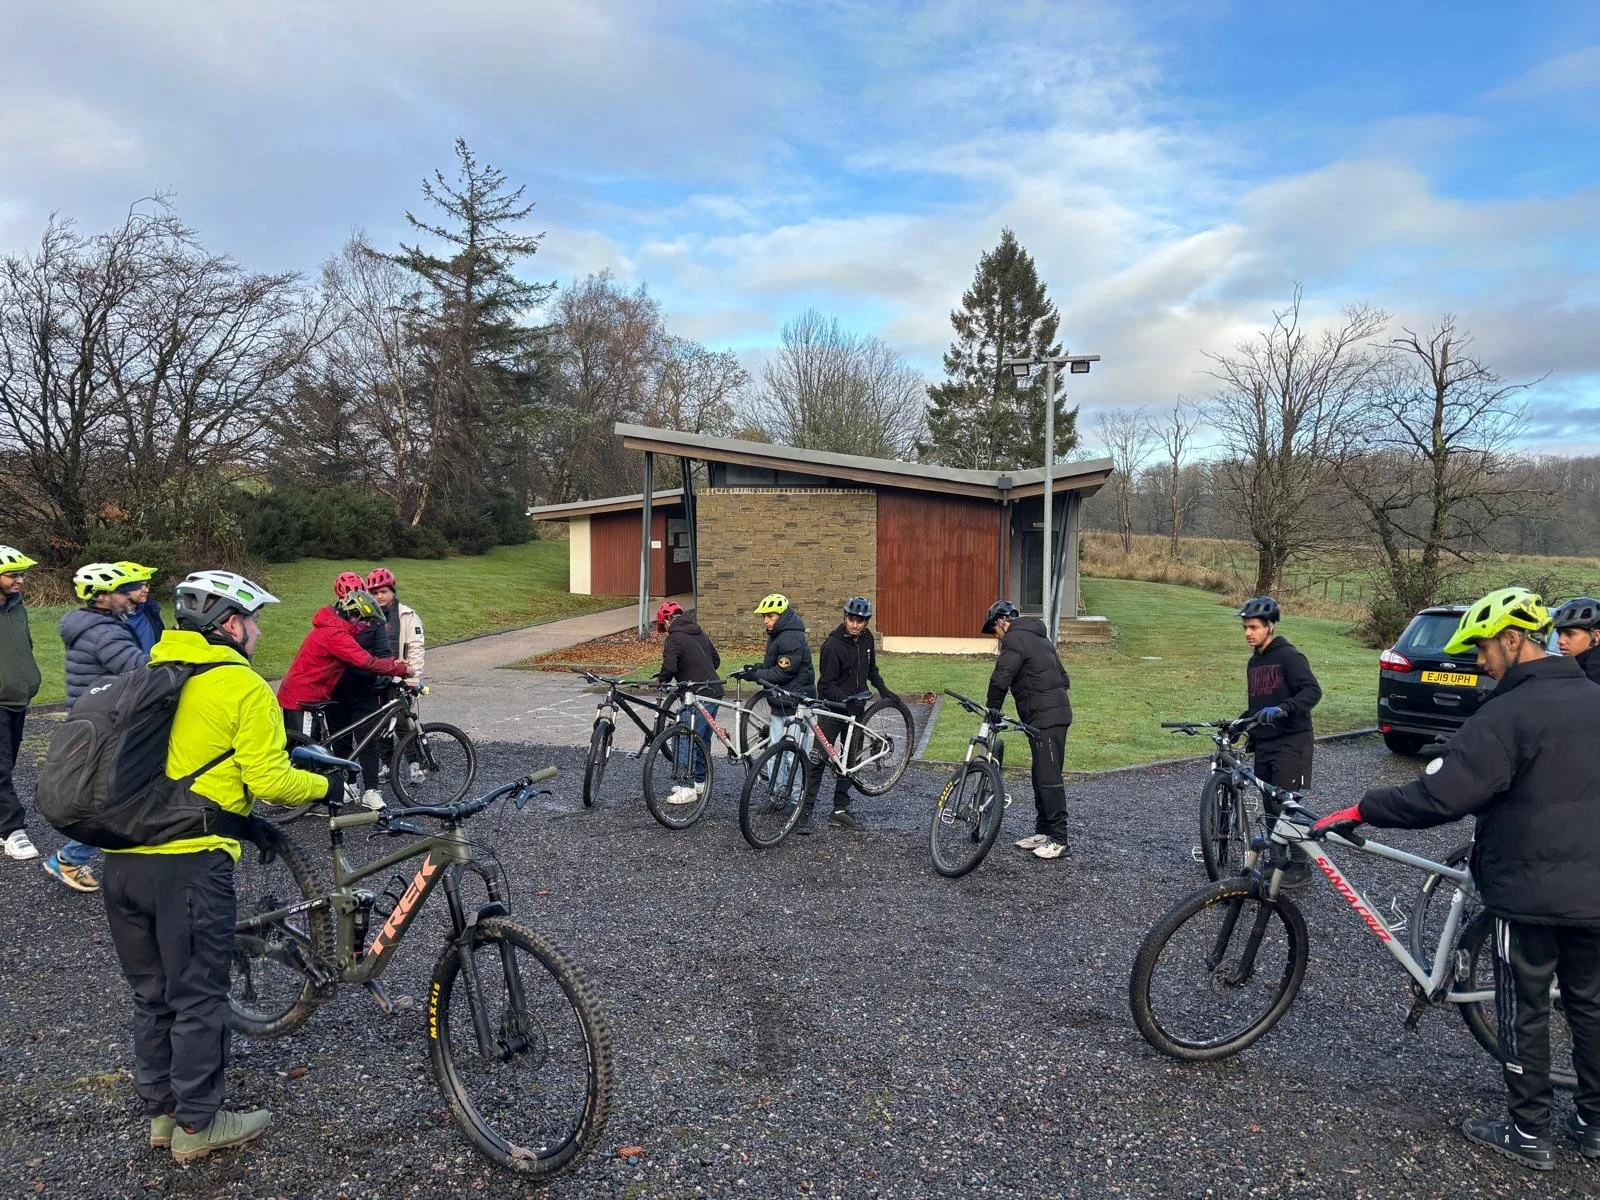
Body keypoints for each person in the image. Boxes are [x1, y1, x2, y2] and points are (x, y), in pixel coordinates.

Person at [1313, 587, 1600, 1172]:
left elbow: (1441, 796)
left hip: (1526, 892)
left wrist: (1364, 808)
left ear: (1514, 639)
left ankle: (1528, 1132)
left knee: (1525, 1008)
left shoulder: (1504, 714)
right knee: (1588, 1005)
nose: (1477, 660)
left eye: (1482, 647)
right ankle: (1594, 1126)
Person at [102, 569, 335, 1163]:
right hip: (187, 867)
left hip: (122, 860)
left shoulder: (151, 671)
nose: (257, 631)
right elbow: (272, 780)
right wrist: (326, 784)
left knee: (151, 994)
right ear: (230, 624)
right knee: (199, 995)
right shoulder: (242, 686)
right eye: (253, 620)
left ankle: (163, 1114)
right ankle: (199, 1126)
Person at [45, 562, 150, 892]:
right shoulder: (104, 632)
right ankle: (70, 858)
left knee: (117, 792)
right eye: (123, 593)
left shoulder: (93, 624)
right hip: (106, 723)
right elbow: (139, 669)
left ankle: (87, 855)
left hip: (96, 719)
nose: (129, 598)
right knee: (114, 795)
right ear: (103, 598)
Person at [277, 585, 413, 810]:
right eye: (365, 620)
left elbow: (371, 657)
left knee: (321, 742)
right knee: (296, 749)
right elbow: (364, 661)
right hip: (302, 694)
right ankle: (285, 793)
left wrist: (390, 665)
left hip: (314, 691)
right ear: (354, 615)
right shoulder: (335, 633)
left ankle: (339, 788)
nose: (367, 626)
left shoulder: (333, 626)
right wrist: (399, 670)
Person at [982, 599, 1073, 860]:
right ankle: (1043, 831)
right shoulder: (1040, 639)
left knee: (1049, 777)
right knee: (1039, 774)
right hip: (1046, 715)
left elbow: (1001, 678)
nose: (997, 638)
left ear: (1001, 622)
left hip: (1046, 718)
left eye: (995, 631)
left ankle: (1059, 838)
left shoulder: (1015, 639)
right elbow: (1064, 679)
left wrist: (992, 710)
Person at [731, 594, 818, 824]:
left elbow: (782, 673)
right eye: (764, 616)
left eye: (770, 616)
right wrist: (755, 669)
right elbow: (772, 666)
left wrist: (757, 675)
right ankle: (776, 794)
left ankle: (796, 798)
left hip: (797, 704)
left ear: (781, 615)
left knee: (792, 755)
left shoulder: (791, 638)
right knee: (773, 753)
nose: (765, 621)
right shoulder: (777, 635)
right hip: (781, 703)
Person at [814, 596, 897, 832]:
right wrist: (844, 700)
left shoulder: (867, 639)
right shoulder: (832, 645)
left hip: (857, 710)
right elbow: (826, 685)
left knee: (850, 761)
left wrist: (884, 690)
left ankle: (839, 810)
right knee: (817, 760)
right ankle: (804, 812)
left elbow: (871, 670)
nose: (855, 625)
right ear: (845, 617)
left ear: (866, 622)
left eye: (861, 621)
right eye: (852, 619)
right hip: (833, 709)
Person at [326, 573, 398, 805]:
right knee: (341, 740)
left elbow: (384, 652)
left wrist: (387, 672)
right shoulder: (332, 620)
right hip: (335, 690)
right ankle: (349, 784)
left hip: (365, 689)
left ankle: (371, 790)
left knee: (368, 739)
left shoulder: (373, 618)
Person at [654, 600, 721, 806]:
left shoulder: (674, 638)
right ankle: (700, 780)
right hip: (714, 689)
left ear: (666, 621)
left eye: (663, 625)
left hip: (695, 693)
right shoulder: (699, 633)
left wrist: (662, 679)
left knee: (685, 738)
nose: (665, 629)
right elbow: (716, 661)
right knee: (702, 738)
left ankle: (686, 787)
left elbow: (670, 666)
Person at [0, 545, 42, 863]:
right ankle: (14, 831)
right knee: (0, 769)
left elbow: (25, 645)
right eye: (13, 575)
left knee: (8, 764)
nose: (20, 580)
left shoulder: (18, 606)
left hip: (17, 700)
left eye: (21, 574)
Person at [366, 567, 426, 786]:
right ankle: (388, 766)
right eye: (374, 593)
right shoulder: (368, 616)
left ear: (392, 590)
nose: (379, 597)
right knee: (379, 725)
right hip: (377, 679)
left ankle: (415, 765)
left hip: (400, 680)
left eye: (382, 591)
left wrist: (414, 678)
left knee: (402, 723)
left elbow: (416, 649)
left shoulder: (407, 615)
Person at [119, 561, 165, 653]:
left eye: (147, 585)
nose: (146, 590)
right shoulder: (109, 622)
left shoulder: (149, 610)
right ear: (124, 589)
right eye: (140, 586)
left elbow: (160, 641)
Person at [1551, 597, 1600, 684]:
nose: (1560, 641)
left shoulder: (1591, 673)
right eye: (1559, 633)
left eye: (1570, 634)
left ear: (1596, 636)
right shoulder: (1579, 664)